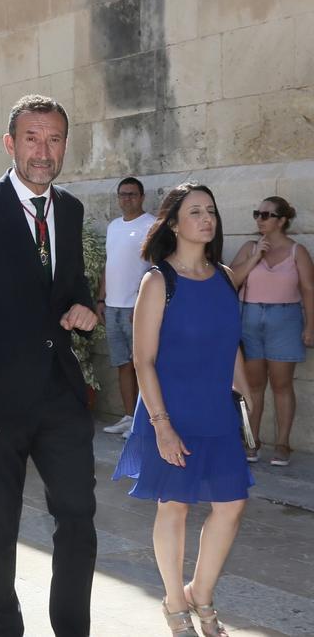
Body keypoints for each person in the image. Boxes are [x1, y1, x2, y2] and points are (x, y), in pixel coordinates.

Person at [0, 94, 99, 637]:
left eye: (53, 139)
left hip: (60, 395)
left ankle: (71, 628)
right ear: (10, 144)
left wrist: (86, 309)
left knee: (78, 517)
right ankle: (5, 627)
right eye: (32, 138)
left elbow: (69, 289)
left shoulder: (71, 210)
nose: (43, 150)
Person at [113, 183, 254, 637]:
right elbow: (143, 360)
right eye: (195, 211)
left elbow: (229, 341)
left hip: (216, 411)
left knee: (231, 505)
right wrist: (161, 426)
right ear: (173, 223)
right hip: (169, 411)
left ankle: (201, 591)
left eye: (211, 210)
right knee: (173, 507)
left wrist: (247, 395)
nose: (207, 218)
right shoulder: (158, 281)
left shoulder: (226, 276)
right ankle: (176, 602)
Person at [228, 196, 314, 467]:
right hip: (250, 318)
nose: (259, 219)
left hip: (285, 318)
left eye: (266, 214)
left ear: (282, 220)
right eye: (257, 213)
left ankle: (283, 443)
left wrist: (311, 325)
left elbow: (309, 290)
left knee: (282, 384)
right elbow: (230, 279)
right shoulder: (250, 247)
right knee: (251, 386)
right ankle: (251, 442)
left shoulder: (296, 251)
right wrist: (255, 257)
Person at [99, 177, 155, 438]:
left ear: (142, 197)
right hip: (112, 307)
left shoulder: (151, 225)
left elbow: (156, 268)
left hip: (136, 308)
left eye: (132, 194)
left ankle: (144, 421)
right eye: (122, 195)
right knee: (123, 364)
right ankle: (129, 417)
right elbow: (108, 266)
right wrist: (101, 299)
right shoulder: (113, 227)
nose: (127, 199)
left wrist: (142, 304)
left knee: (142, 364)